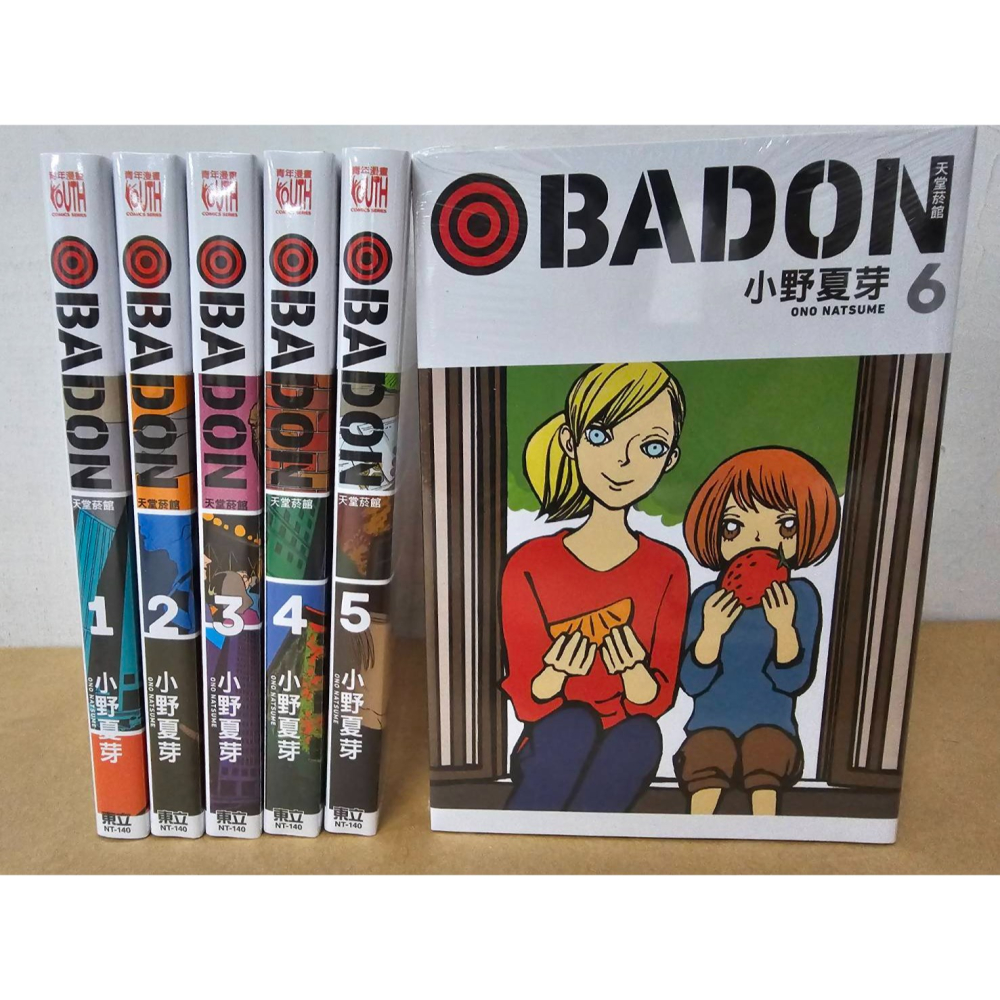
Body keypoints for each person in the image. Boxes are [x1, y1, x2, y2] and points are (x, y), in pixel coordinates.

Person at [501, 362, 689, 812]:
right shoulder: (529, 563)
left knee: (640, 736)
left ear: (669, 460)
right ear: (571, 442)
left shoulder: (668, 567)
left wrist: (634, 669)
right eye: (602, 436)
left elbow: (655, 700)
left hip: (627, 736)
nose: (623, 462)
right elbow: (528, 700)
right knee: (573, 726)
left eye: (650, 447)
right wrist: (555, 672)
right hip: (550, 737)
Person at [674, 447, 840, 816]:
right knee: (707, 755)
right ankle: (696, 832)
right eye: (734, 527)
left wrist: (784, 628)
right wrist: (711, 633)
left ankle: (765, 829)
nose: (758, 541)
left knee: (766, 754)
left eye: (785, 526)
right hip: (709, 723)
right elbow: (692, 682)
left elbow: (793, 680)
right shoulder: (707, 599)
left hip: (773, 723)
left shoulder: (800, 597)